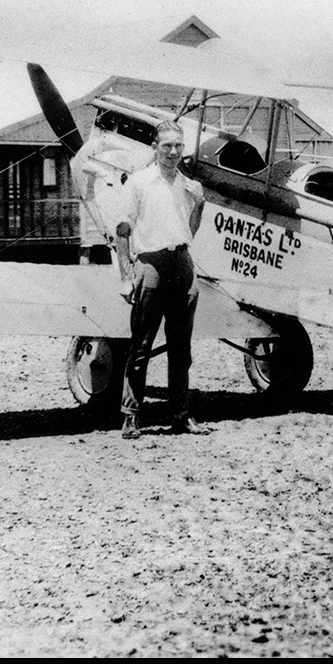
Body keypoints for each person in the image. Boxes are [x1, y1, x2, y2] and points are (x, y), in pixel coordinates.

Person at [113, 122, 210, 439]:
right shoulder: (139, 183)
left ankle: (180, 415)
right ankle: (131, 415)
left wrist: (200, 205)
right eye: (166, 146)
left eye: (178, 146)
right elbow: (123, 232)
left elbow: (189, 231)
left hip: (182, 262)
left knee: (181, 348)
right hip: (150, 264)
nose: (172, 152)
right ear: (155, 147)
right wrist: (127, 278)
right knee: (141, 344)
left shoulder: (188, 185)